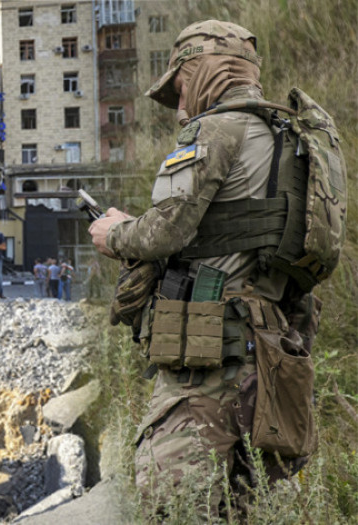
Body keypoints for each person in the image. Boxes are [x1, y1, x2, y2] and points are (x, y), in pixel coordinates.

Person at [88, 20, 331, 514]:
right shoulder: (292, 139)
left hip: (209, 362)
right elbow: (242, 232)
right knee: (241, 504)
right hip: (269, 355)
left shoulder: (216, 128)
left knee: (175, 503)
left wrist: (113, 233)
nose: (179, 103)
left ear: (203, 71)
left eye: (179, 85)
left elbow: (166, 233)